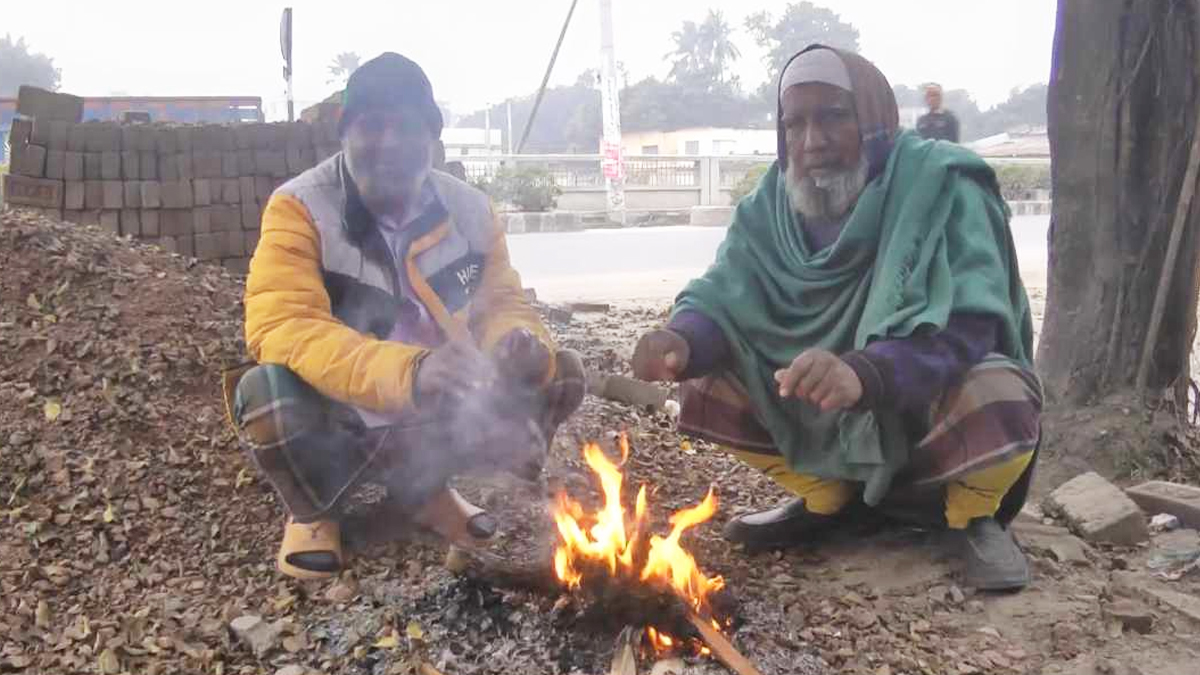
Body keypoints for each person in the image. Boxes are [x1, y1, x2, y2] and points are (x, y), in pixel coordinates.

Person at [630, 45, 1040, 591]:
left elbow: (974, 322)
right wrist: (682, 341)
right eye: (794, 124)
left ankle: (971, 517)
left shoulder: (943, 184)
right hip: (824, 413)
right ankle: (829, 497)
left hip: (917, 403)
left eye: (833, 117)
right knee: (706, 385)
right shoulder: (768, 203)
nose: (811, 142)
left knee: (1000, 392)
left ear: (875, 119)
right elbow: (723, 295)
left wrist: (867, 373)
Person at [229, 52, 584, 580]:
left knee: (562, 370)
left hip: (441, 406)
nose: (390, 143)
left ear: (431, 139)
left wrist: (517, 341)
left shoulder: (470, 210)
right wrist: (410, 372)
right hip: (343, 408)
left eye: (408, 127)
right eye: (373, 125)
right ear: (345, 133)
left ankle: (426, 493)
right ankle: (314, 513)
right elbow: (283, 325)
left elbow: (502, 303)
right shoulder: (300, 208)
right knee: (266, 398)